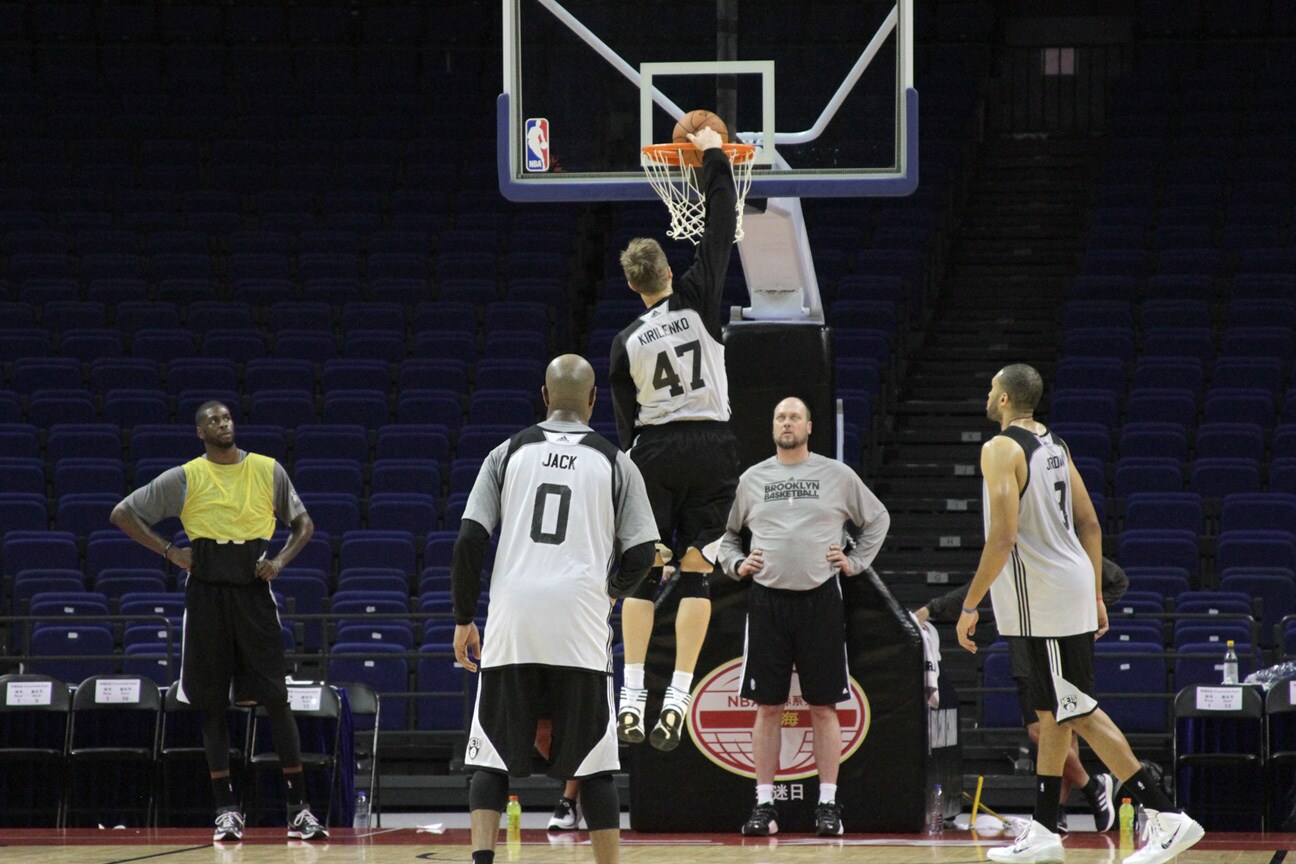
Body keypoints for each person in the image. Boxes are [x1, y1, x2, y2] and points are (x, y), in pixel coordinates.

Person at [956, 364, 1203, 864]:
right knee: (1053, 715)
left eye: (990, 388)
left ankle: (1167, 815)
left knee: (1077, 710)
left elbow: (1002, 538)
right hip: (1067, 589)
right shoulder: (1055, 444)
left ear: (1004, 399)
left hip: (1041, 599)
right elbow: (1090, 524)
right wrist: (1092, 593)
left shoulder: (1000, 448)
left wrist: (968, 604)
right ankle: (1047, 827)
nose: (987, 394)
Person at [452, 355, 659, 864]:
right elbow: (642, 554)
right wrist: (607, 592)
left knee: (491, 758)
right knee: (594, 762)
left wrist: (462, 619)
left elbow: (469, 540)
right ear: (592, 401)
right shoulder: (615, 460)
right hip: (579, 620)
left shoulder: (507, 452)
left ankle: (482, 860)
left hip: (513, 619)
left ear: (544, 397)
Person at [109, 401, 328, 844]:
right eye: (213, 420)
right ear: (199, 431)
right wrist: (171, 551)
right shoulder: (186, 475)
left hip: (254, 592)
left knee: (276, 699)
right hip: (206, 592)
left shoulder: (268, 469)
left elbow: (304, 523)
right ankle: (226, 810)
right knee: (211, 703)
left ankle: (299, 809)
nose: (222, 424)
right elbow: (122, 514)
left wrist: (281, 561)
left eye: (226, 418)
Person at [608, 122, 740, 752]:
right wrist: (714, 152)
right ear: (667, 266)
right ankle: (679, 694)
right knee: (696, 575)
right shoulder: (699, 296)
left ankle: (631, 691)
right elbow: (719, 221)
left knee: (641, 575)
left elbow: (626, 425)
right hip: (713, 446)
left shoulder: (624, 341)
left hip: (655, 452)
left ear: (634, 286)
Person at [718, 397, 890, 837]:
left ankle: (828, 805)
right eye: (780, 416)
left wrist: (855, 561)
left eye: (794, 416)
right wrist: (736, 564)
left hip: (821, 600)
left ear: (810, 427)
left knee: (823, 706)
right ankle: (764, 806)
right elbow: (724, 535)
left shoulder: (837, 475)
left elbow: (877, 520)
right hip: (767, 602)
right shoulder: (752, 479)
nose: (786, 422)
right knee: (768, 707)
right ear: (772, 426)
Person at [917, 556, 1131, 832]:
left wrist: (1085, 611)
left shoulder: (1062, 548)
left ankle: (1071, 801)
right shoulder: (1010, 553)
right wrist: (932, 609)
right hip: (1026, 653)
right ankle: (1077, 797)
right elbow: (978, 587)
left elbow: (1117, 580)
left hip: (1062, 643)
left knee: (1061, 729)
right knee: (1047, 731)